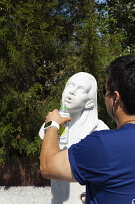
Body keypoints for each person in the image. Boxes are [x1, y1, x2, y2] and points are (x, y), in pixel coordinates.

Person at [40, 55, 135, 204]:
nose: (71, 92)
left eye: (105, 90)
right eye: (69, 85)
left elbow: (47, 167)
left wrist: (52, 125)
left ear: (115, 98)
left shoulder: (102, 142)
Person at [39, 72, 109, 203]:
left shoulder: (99, 130)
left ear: (89, 103)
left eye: (81, 90)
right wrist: (52, 126)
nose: (71, 92)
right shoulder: (49, 127)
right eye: (70, 86)